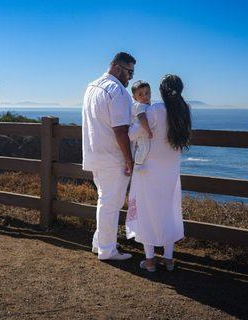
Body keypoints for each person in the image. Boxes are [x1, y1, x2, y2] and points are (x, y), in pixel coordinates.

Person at [125, 74, 192, 272]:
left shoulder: (155, 110)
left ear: (161, 91)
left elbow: (132, 134)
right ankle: (169, 259)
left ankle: (150, 260)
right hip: (171, 171)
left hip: (148, 170)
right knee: (168, 212)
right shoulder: (185, 110)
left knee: (147, 213)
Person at [82, 52, 136, 261]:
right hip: (113, 158)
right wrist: (129, 159)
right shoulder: (117, 91)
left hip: (95, 154)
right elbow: (121, 130)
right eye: (129, 72)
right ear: (117, 67)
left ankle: (99, 243)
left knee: (104, 200)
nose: (130, 77)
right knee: (110, 204)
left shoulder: (91, 86)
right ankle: (107, 249)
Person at [130, 81, 153, 172]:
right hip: (141, 132)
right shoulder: (140, 106)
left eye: (147, 93)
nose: (145, 96)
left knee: (142, 148)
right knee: (144, 148)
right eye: (140, 95)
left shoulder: (145, 105)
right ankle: (138, 165)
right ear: (134, 97)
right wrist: (148, 131)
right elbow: (142, 118)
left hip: (140, 131)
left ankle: (138, 163)